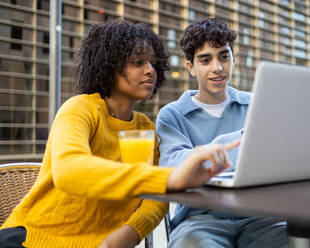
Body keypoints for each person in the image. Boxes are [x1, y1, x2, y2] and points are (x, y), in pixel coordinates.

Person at [0, 20, 239, 248]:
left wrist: (131, 232)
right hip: (31, 239)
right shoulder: (81, 109)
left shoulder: (145, 127)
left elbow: (154, 200)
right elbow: (69, 169)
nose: (150, 71)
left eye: (153, 63)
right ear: (109, 65)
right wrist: (170, 179)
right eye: (137, 62)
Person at [156, 17, 289, 248]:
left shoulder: (257, 105)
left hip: (259, 215)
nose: (217, 68)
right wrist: (230, 146)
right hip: (201, 220)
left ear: (233, 60)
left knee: (303, 238)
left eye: (224, 57)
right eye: (205, 60)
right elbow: (172, 167)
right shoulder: (172, 115)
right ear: (191, 67)